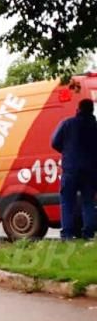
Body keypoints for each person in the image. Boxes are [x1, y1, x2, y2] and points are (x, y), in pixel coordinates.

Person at [52, 98, 97, 240]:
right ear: (92, 111)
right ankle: (89, 234)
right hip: (90, 171)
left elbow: (54, 142)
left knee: (67, 202)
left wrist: (66, 151)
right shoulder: (95, 127)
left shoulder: (67, 124)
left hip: (70, 169)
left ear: (78, 109)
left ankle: (67, 234)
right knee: (88, 202)